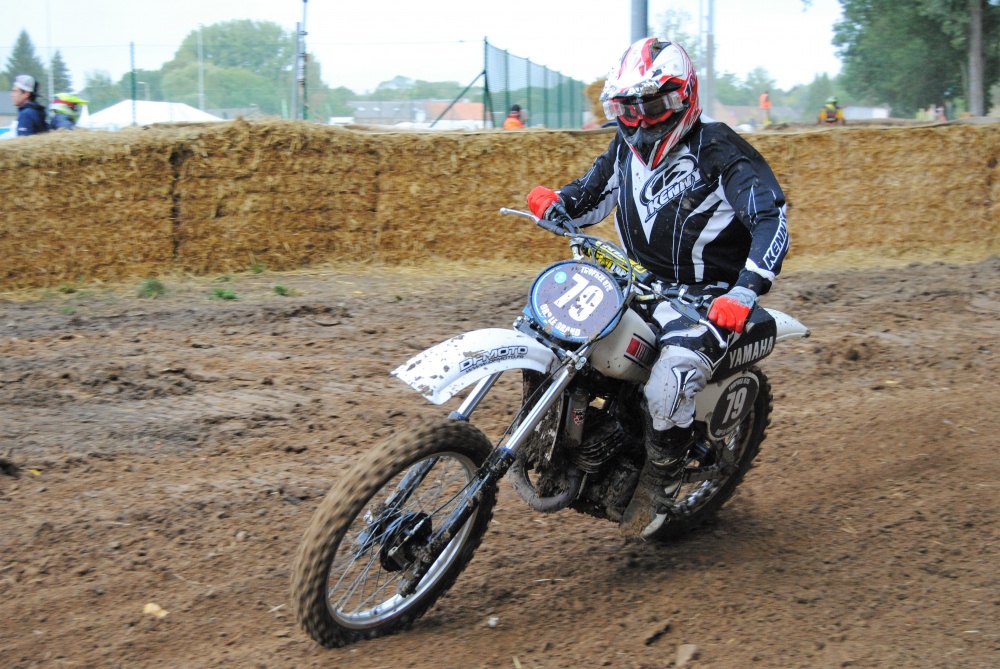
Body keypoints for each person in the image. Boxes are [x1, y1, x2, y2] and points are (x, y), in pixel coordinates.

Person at [525, 37, 789, 541]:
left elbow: (770, 219)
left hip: (707, 298)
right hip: (634, 279)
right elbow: (589, 196)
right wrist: (555, 201)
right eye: (629, 109)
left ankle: (660, 480)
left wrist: (744, 291)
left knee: (671, 377)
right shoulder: (623, 149)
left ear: (684, 97)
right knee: (557, 326)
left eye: (654, 106)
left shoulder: (720, 149)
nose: (642, 121)